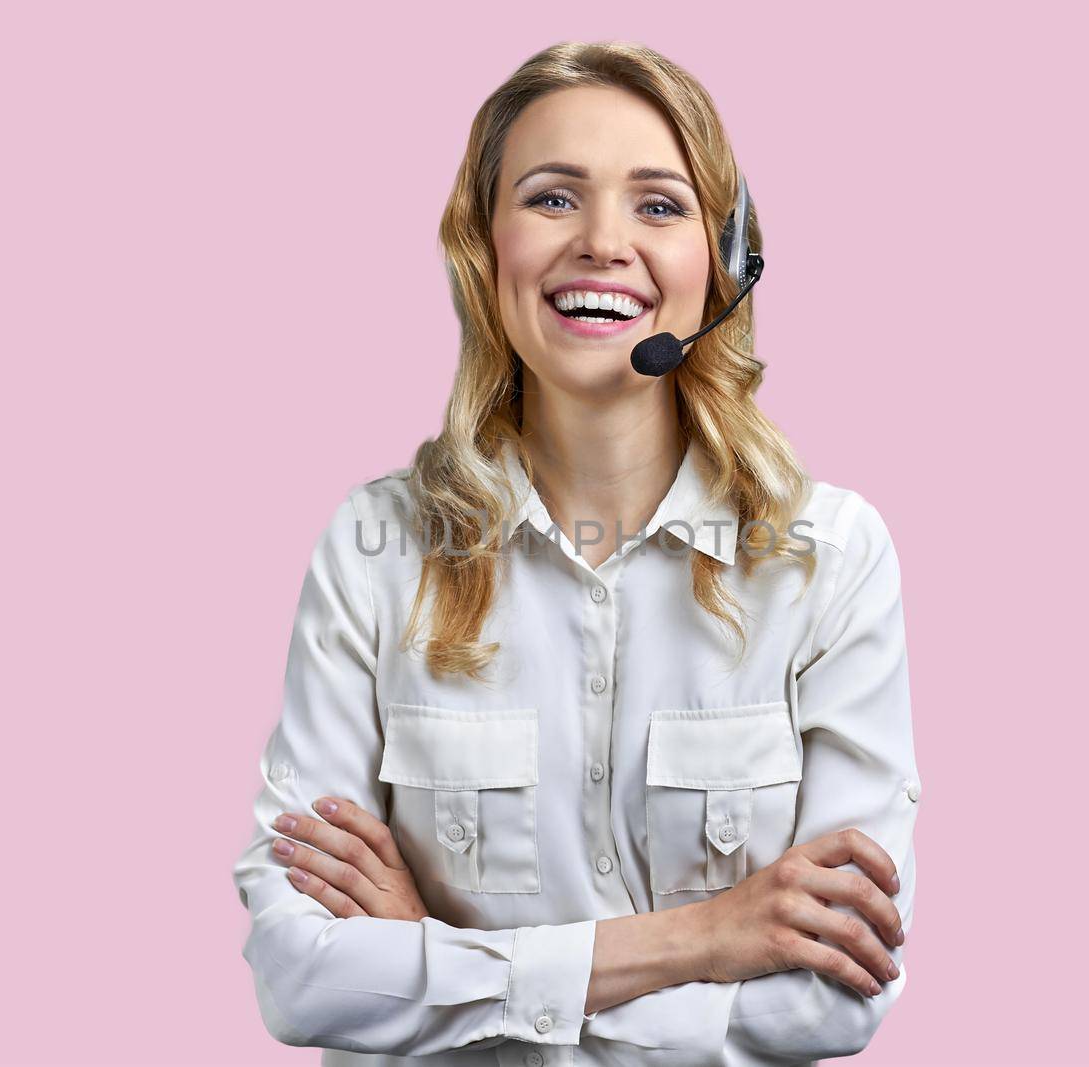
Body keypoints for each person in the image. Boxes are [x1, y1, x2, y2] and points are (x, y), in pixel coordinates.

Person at [230, 40, 922, 1067]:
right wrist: (702, 936)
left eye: (658, 205)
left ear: (723, 263)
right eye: (553, 198)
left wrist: (433, 957)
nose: (602, 242)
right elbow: (301, 977)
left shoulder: (830, 557)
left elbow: (831, 998)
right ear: (484, 244)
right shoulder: (374, 551)